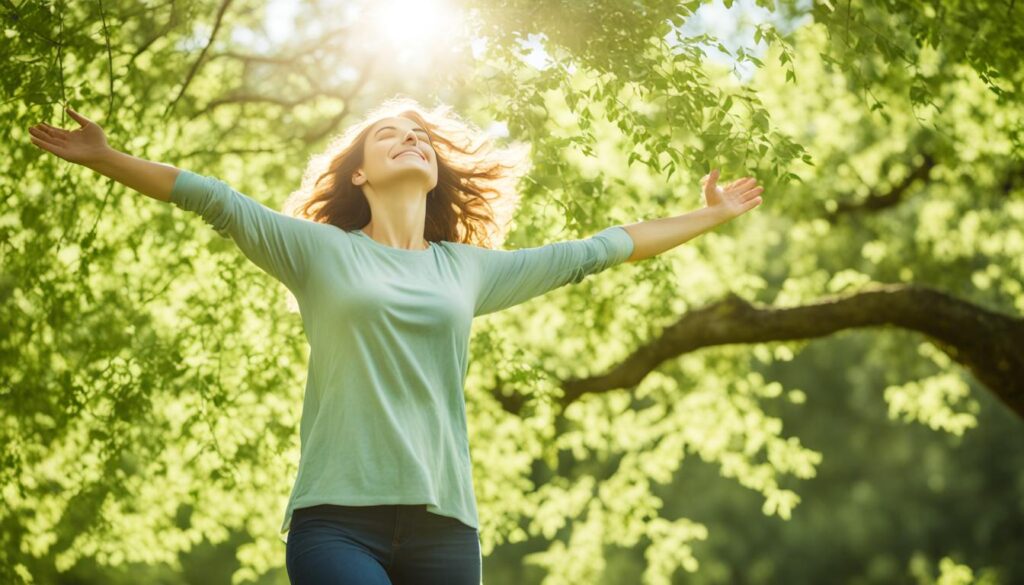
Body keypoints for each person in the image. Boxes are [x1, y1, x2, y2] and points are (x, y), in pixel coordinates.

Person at [27, 96, 764, 585]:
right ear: (359, 172)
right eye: (390, 133)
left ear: (434, 169)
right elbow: (216, 200)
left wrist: (713, 215)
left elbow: (598, 248)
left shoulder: (465, 271)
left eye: (420, 135)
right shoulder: (319, 252)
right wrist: (105, 156)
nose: (411, 137)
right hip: (337, 521)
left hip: (446, 525)